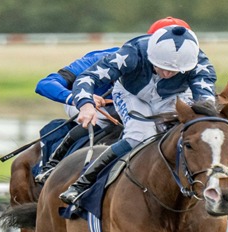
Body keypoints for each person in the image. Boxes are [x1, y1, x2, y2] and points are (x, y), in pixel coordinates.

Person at [58, 24, 217, 205]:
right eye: (161, 67)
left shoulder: (200, 65)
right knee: (140, 135)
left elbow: (206, 104)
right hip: (131, 93)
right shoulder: (132, 53)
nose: (166, 73)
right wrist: (85, 104)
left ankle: (210, 189)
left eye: (174, 71)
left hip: (173, 96)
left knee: (187, 135)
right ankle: (83, 183)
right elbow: (88, 77)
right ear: (151, 56)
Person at [33, 17, 191, 184]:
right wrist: (82, 98)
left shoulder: (182, 68)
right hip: (91, 107)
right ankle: (52, 165)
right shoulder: (110, 57)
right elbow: (45, 84)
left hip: (139, 108)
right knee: (105, 119)